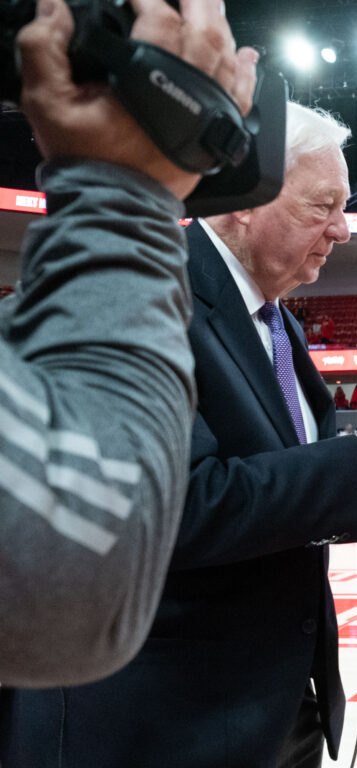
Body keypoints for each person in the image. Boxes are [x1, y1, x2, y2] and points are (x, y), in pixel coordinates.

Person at [0, 102, 357, 767]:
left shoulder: (280, 326)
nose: (344, 229)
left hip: (271, 708)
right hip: (157, 722)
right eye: (321, 206)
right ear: (243, 201)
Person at [0, 0, 257, 688]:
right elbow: (72, 579)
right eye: (324, 206)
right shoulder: (175, 284)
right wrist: (122, 197)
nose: (342, 230)